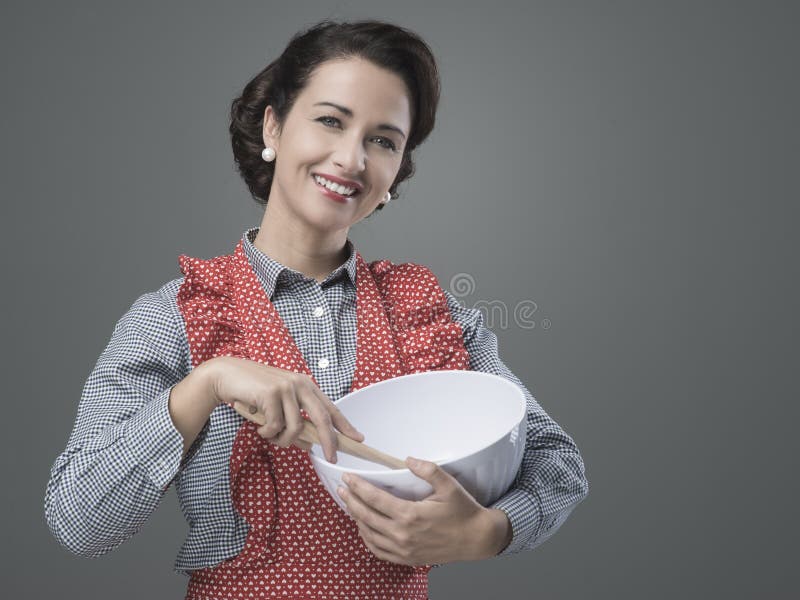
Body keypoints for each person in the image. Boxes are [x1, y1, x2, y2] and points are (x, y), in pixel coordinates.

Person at [44, 19, 589, 600]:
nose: (351, 158)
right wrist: (207, 384)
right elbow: (79, 520)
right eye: (331, 120)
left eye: (383, 140)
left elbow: (557, 463)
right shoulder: (179, 315)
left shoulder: (430, 315)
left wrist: (489, 532)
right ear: (273, 125)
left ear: (393, 177)